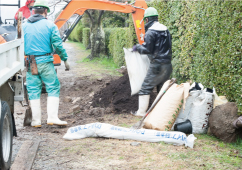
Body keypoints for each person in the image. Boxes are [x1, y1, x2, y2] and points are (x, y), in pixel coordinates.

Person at [23, 0, 70, 127]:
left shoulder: (24, 25)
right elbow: (57, 44)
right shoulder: (50, 25)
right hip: (45, 61)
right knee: (53, 87)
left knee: (33, 89)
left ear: (33, 11)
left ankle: (36, 121)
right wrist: (64, 59)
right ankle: (52, 118)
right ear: (45, 11)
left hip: (30, 62)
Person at [132, 7, 173, 117]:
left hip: (157, 65)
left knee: (145, 88)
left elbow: (147, 49)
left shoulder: (150, 32)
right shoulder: (166, 30)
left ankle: (141, 112)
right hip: (168, 65)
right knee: (162, 88)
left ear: (147, 20)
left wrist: (137, 48)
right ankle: (163, 113)